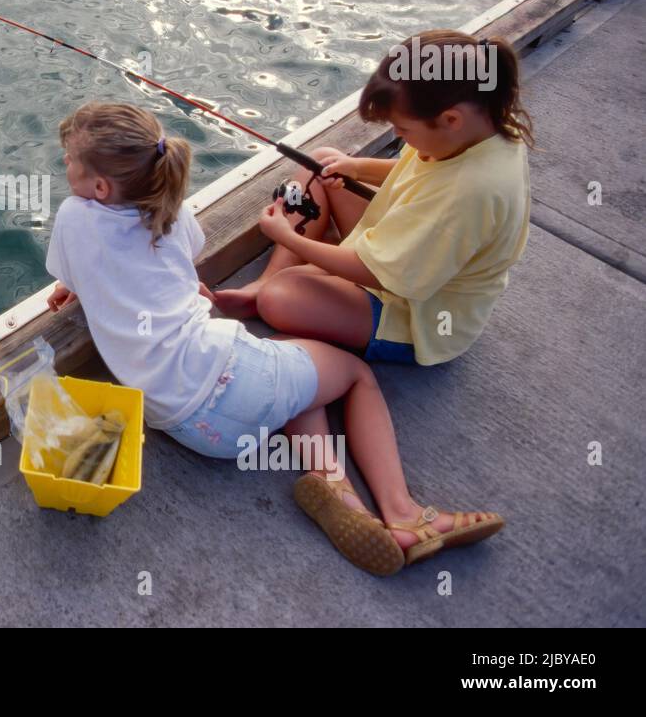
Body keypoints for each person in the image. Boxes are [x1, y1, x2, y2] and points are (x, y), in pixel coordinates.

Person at [45, 101, 502, 574]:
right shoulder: (172, 211)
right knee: (352, 374)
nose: (65, 164)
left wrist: (70, 283)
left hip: (183, 424)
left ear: (100, 187)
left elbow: (91, 270)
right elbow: (178, 250)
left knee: (294, 368)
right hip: (235, 382)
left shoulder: (74, 218)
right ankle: (403, 513)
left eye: (70, 159)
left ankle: (337, 488)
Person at [214, 30, 532, 365]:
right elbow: (421, 169)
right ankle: (266, 281)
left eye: (403, 129)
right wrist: (356, 167)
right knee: (321, 160)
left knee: (281, 296)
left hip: (417, 314)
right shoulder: (481, 127)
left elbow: (379, 274)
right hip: (408, 247)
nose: (397, 135)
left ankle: (281, 283)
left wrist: (287, 237)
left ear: (450, 119)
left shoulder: (469, 193)